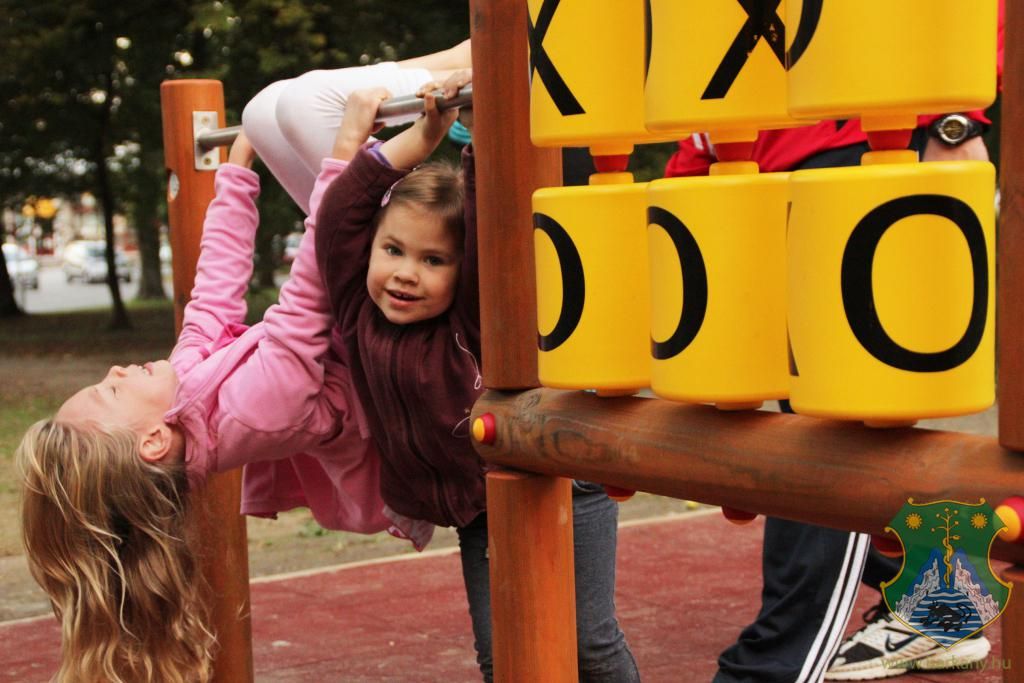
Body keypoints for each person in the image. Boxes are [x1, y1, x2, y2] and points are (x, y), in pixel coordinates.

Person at [16, 131, 432, 683]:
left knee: (270, 117)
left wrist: (235, 177)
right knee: (317, 126)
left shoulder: (184, 387)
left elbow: (212, 293)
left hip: (351, 319)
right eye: (110, 391)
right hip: (394, 345)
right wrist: (343, 161)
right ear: (153, 441)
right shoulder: (254, 413)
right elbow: (304, 301)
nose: (115, 371)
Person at [311, 71, 640, 682]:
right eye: (393, 251)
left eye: (433, 260)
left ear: (463, 272)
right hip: (477, 505)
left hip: (564, 479)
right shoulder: (357, 312)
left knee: (589, 644)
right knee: (501, 655)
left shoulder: (472, 319)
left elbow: (494, 222)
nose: (406, 273)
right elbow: (338, 218)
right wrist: (420, 136)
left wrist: (482, 137)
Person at [664, 114, 997, 683]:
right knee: (812, 426)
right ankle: (943, 605)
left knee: (823, 432)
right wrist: (694, 165)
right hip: (750, 171)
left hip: (854, 146)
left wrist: (952, 124)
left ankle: (771, 665)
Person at [241, 39, 471, 213]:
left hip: (354, 240)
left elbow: (331, 226)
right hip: (406, 234)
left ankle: (468, 60)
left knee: (278, 108)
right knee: (282, 106)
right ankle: (476, 63)